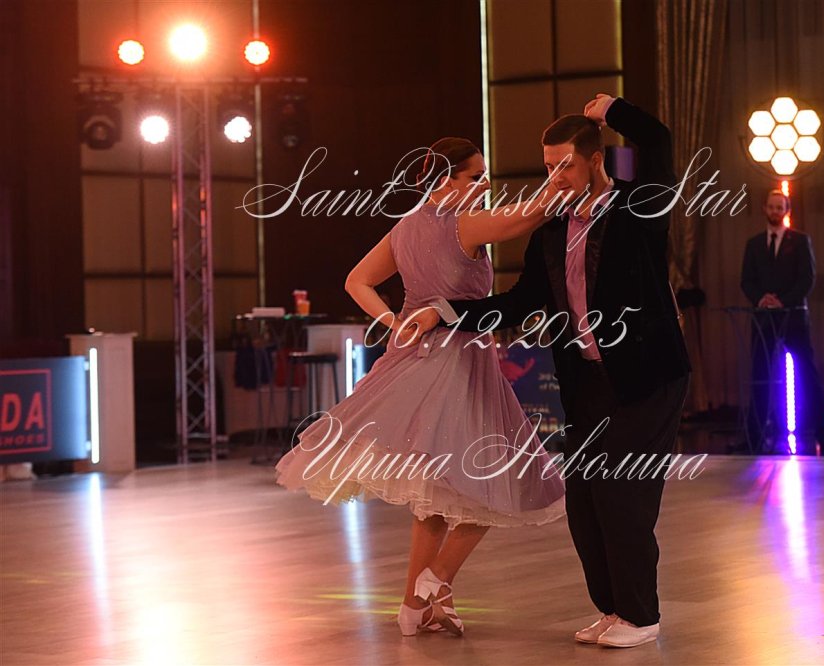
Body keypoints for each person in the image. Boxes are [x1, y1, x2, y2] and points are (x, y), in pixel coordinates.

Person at [414, 95, 691, 648]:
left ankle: (642, 616)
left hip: (648, 378)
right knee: (584, 504)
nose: (555, 176)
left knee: (621, 492)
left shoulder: (640, 207)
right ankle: (613, 609)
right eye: (547, 166)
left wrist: (612, 110)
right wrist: (443, 313)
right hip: (587, 382)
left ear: (595, 160)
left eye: (565, 164)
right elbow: (518, 302)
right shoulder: (551, 232)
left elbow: (657, 141)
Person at [275, 137, 567, 637]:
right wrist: (562, 177)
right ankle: (437, 580)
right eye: (475, 177)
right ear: (446, 181)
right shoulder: (464, 224)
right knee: (500, 477)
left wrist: (393, 321)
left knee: (436, 494)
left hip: (414, 359)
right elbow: (529, 216)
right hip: (459, 365)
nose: (484, 185)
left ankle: (416, 606)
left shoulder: (406, 227)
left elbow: (356, 281)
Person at [739, 190, 824, 456]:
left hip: (793, 318)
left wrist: (782, 301)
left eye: (779, 207)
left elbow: (807, 279)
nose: (775, 211)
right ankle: (755, 437)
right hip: (763, 319)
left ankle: (823, 434)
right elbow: (746, 280)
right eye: (771, 207)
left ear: (787, 210)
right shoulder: (753, 244)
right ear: (764, 208)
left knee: (807, 374)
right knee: (760, 375)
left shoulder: (801, 241)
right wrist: (761, 299)